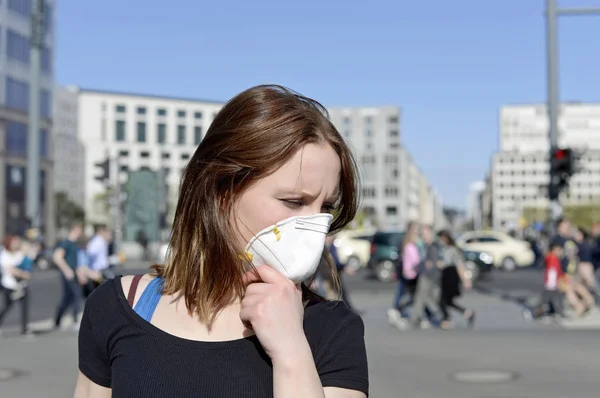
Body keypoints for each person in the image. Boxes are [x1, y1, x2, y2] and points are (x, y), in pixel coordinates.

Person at [74, 85, 368, 397]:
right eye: (294, 202)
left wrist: (291, 352)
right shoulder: (116, 308)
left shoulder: (332, 329)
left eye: (325, 208)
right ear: (222, 192)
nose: (315, 227)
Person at [437, 230, 474, 330]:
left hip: (451, 276)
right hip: (446, 276)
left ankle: (447, 319)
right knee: (447, 301)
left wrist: (466, 279)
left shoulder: (453, 250)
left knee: (442, 300)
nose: (440, 240)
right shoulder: (445, 249)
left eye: (441, 238)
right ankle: (467, 312)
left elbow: (460, 265)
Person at [53, 221, 84, 331]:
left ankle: (57, 320)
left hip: (74, 273)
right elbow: (57, 257)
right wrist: (67, 270)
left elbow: (76, 262)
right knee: (76, 295)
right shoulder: (66, 243)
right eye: (80, 230)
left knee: (67, 298)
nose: (81, 232)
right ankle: (75, 320)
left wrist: (79, 274)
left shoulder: (75, 244)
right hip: (67, 274)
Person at [525, 242, 565, 320]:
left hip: (555, 285)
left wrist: (562, 278)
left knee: (557, 299)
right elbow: (544, 255)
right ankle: (533, 313)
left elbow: (559, 271)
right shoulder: (550, 257)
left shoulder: (556, 259)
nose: (560, 252)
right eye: (558, 250)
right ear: (553, 250)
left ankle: (558, 314)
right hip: (550, 285)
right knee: (543, 301)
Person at [0, 235, 31, 336]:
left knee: (24, 307)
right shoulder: (4, 255)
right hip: (9, 286)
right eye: (14, 242)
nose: (16, 244)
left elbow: (27, 265)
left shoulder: (20, 254)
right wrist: (23, 274)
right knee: (7, 306)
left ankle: (25, 328)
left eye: (17, 242)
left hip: (22, 285)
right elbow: (11, 270)